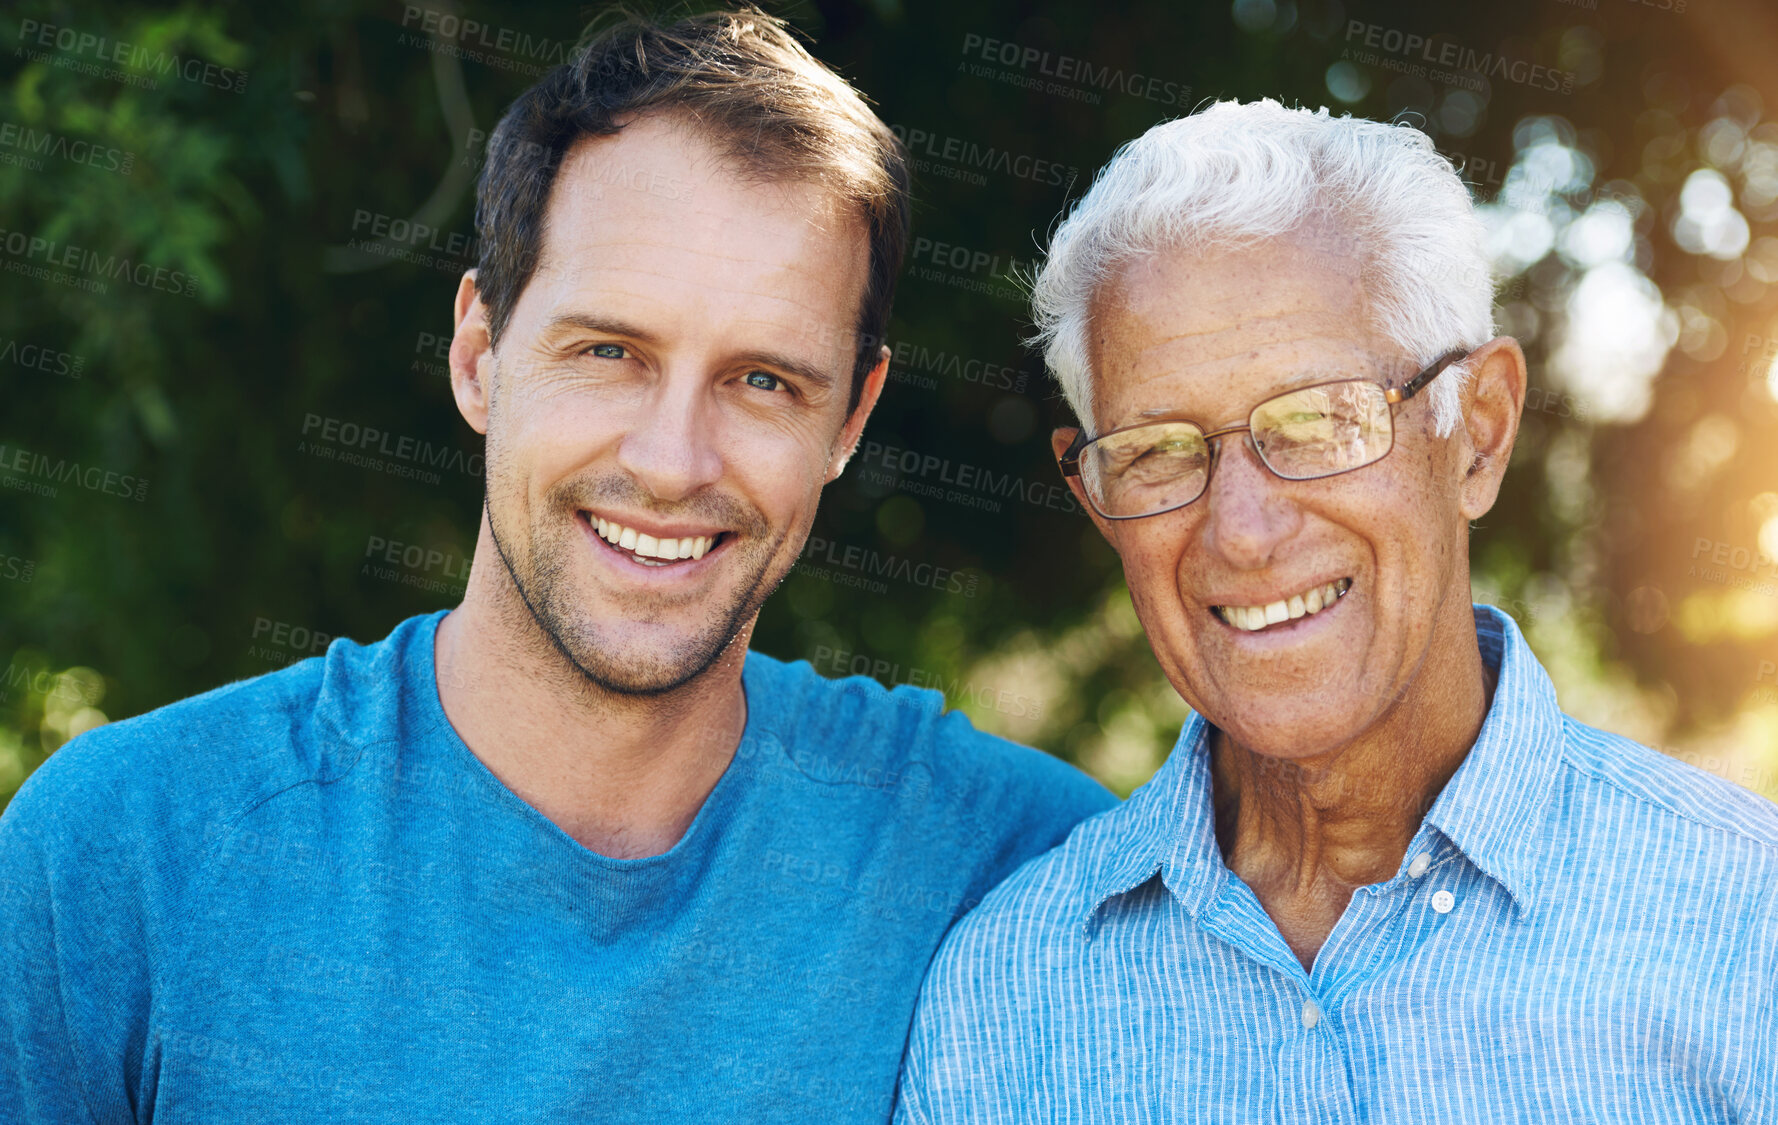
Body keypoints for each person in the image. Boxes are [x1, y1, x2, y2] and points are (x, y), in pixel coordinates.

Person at [0, 11, 1114, 1122]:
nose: (672, 463)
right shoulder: (125, 859)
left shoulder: (1012, 866)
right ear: (479, 356)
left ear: (851, 419)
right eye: (607, 353)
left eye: (764, 381)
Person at [895, 99, 1778, 1122]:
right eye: (1157, 451)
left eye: (1317, 420)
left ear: (1477, 434)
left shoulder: (1745, 921)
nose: (1241, 530)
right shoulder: (1003, 1002)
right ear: (1095, 497)